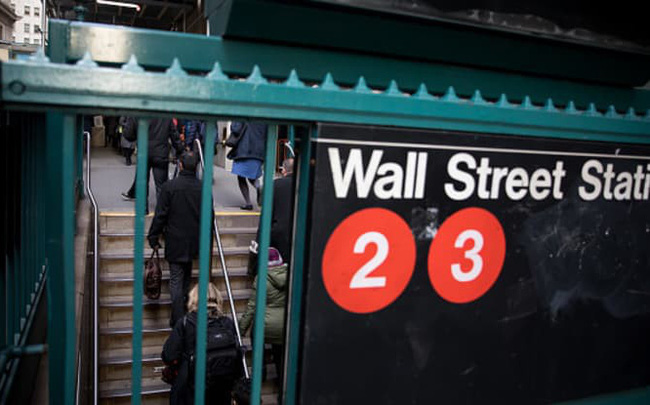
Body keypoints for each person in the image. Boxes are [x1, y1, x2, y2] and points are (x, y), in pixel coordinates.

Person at [148, 151, 204, 328]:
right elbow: (208, 217)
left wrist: (153, 236)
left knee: (176, 280)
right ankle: (182, 316)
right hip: (194, 240)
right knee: (186, 277)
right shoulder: (202, 188)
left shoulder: (169, 187)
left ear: (180, 165)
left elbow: (160, 215)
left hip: (175, 240)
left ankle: (179, 321)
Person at [162, 283, 242, 405]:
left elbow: (169, 355)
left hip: (190, 389)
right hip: (221, 390)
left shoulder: (186, 323)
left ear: (193, 299)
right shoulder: (227, 323)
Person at [239, 247, 287, 402]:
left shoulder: (261, 279)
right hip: (284, 326)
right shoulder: (290, 275)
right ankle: (281, 383)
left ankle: (261, 371)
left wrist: (241, 330)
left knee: (256, 335)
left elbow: (252, 307)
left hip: (265, 327)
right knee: (280, 352)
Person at [121, 118, 183, 211]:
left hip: (143, 152)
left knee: (142, 183)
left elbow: (129, 135)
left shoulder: (138, 113)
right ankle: (161, 211)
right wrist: (180, 150)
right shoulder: (165, 115)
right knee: (161, 185)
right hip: (160, 152)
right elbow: (174, 135)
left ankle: (143, 209)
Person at [228, 122, 267, 210]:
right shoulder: (264, 119)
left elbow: (236, 129)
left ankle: (248, 202)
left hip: (244, 150)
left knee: (241, 177)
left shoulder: (244, 115)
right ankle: (258, 186)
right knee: (251, 175)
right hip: (259, 151)